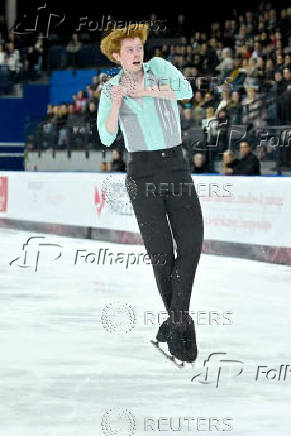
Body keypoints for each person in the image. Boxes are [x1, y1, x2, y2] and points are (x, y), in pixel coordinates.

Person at [97, 24, 204, 363]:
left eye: (139, 48)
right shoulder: (110, 88)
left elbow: (185, 91)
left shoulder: (158, 68)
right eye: (129, 50)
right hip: (142, 173)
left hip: (175, 164)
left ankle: (174, 321)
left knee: (192, 242)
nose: (137, 54)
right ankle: (180, 327)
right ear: (117, 56)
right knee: (161, 254)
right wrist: (116, 103)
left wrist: (149, 92)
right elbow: (105, 135)